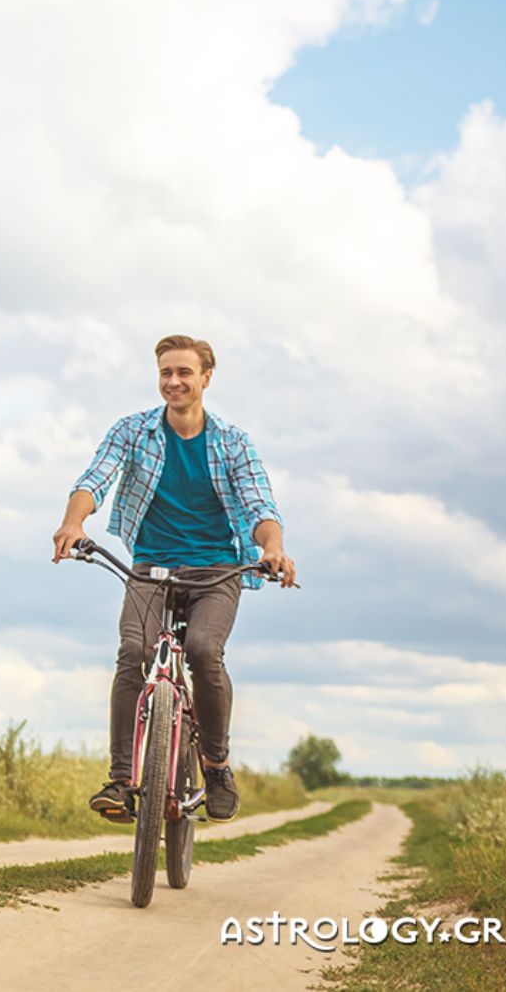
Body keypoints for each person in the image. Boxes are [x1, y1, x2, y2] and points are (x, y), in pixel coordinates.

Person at [51, 335, 295, 822]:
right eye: (166, 372)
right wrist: (73, 523)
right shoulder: (133, 431)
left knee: (204, 650)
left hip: (215, 570)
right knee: (134, 652)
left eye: (185, 372)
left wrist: (272, 547)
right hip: (151, 566)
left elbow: (259, 506)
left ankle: (216, 766)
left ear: (206, 377)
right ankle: (121, 781)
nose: (174, 381)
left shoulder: (232, 442)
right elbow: (95, 479)